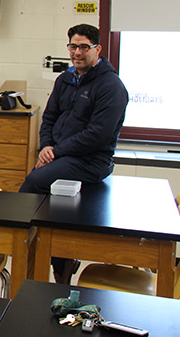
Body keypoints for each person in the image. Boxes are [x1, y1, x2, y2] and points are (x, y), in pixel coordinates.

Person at [19, 23, 128, 283]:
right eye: (73, 47)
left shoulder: (111, 86)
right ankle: (56, 261)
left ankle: (21, 246)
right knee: (51, 198)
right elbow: (49, 118)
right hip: (60, 155)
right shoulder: (65, 79)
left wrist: (54, 152)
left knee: (35, 181)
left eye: (83, 47)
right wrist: (46, 146)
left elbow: (97, 135)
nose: (77, 52)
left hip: (92, 160)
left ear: (97, 49)